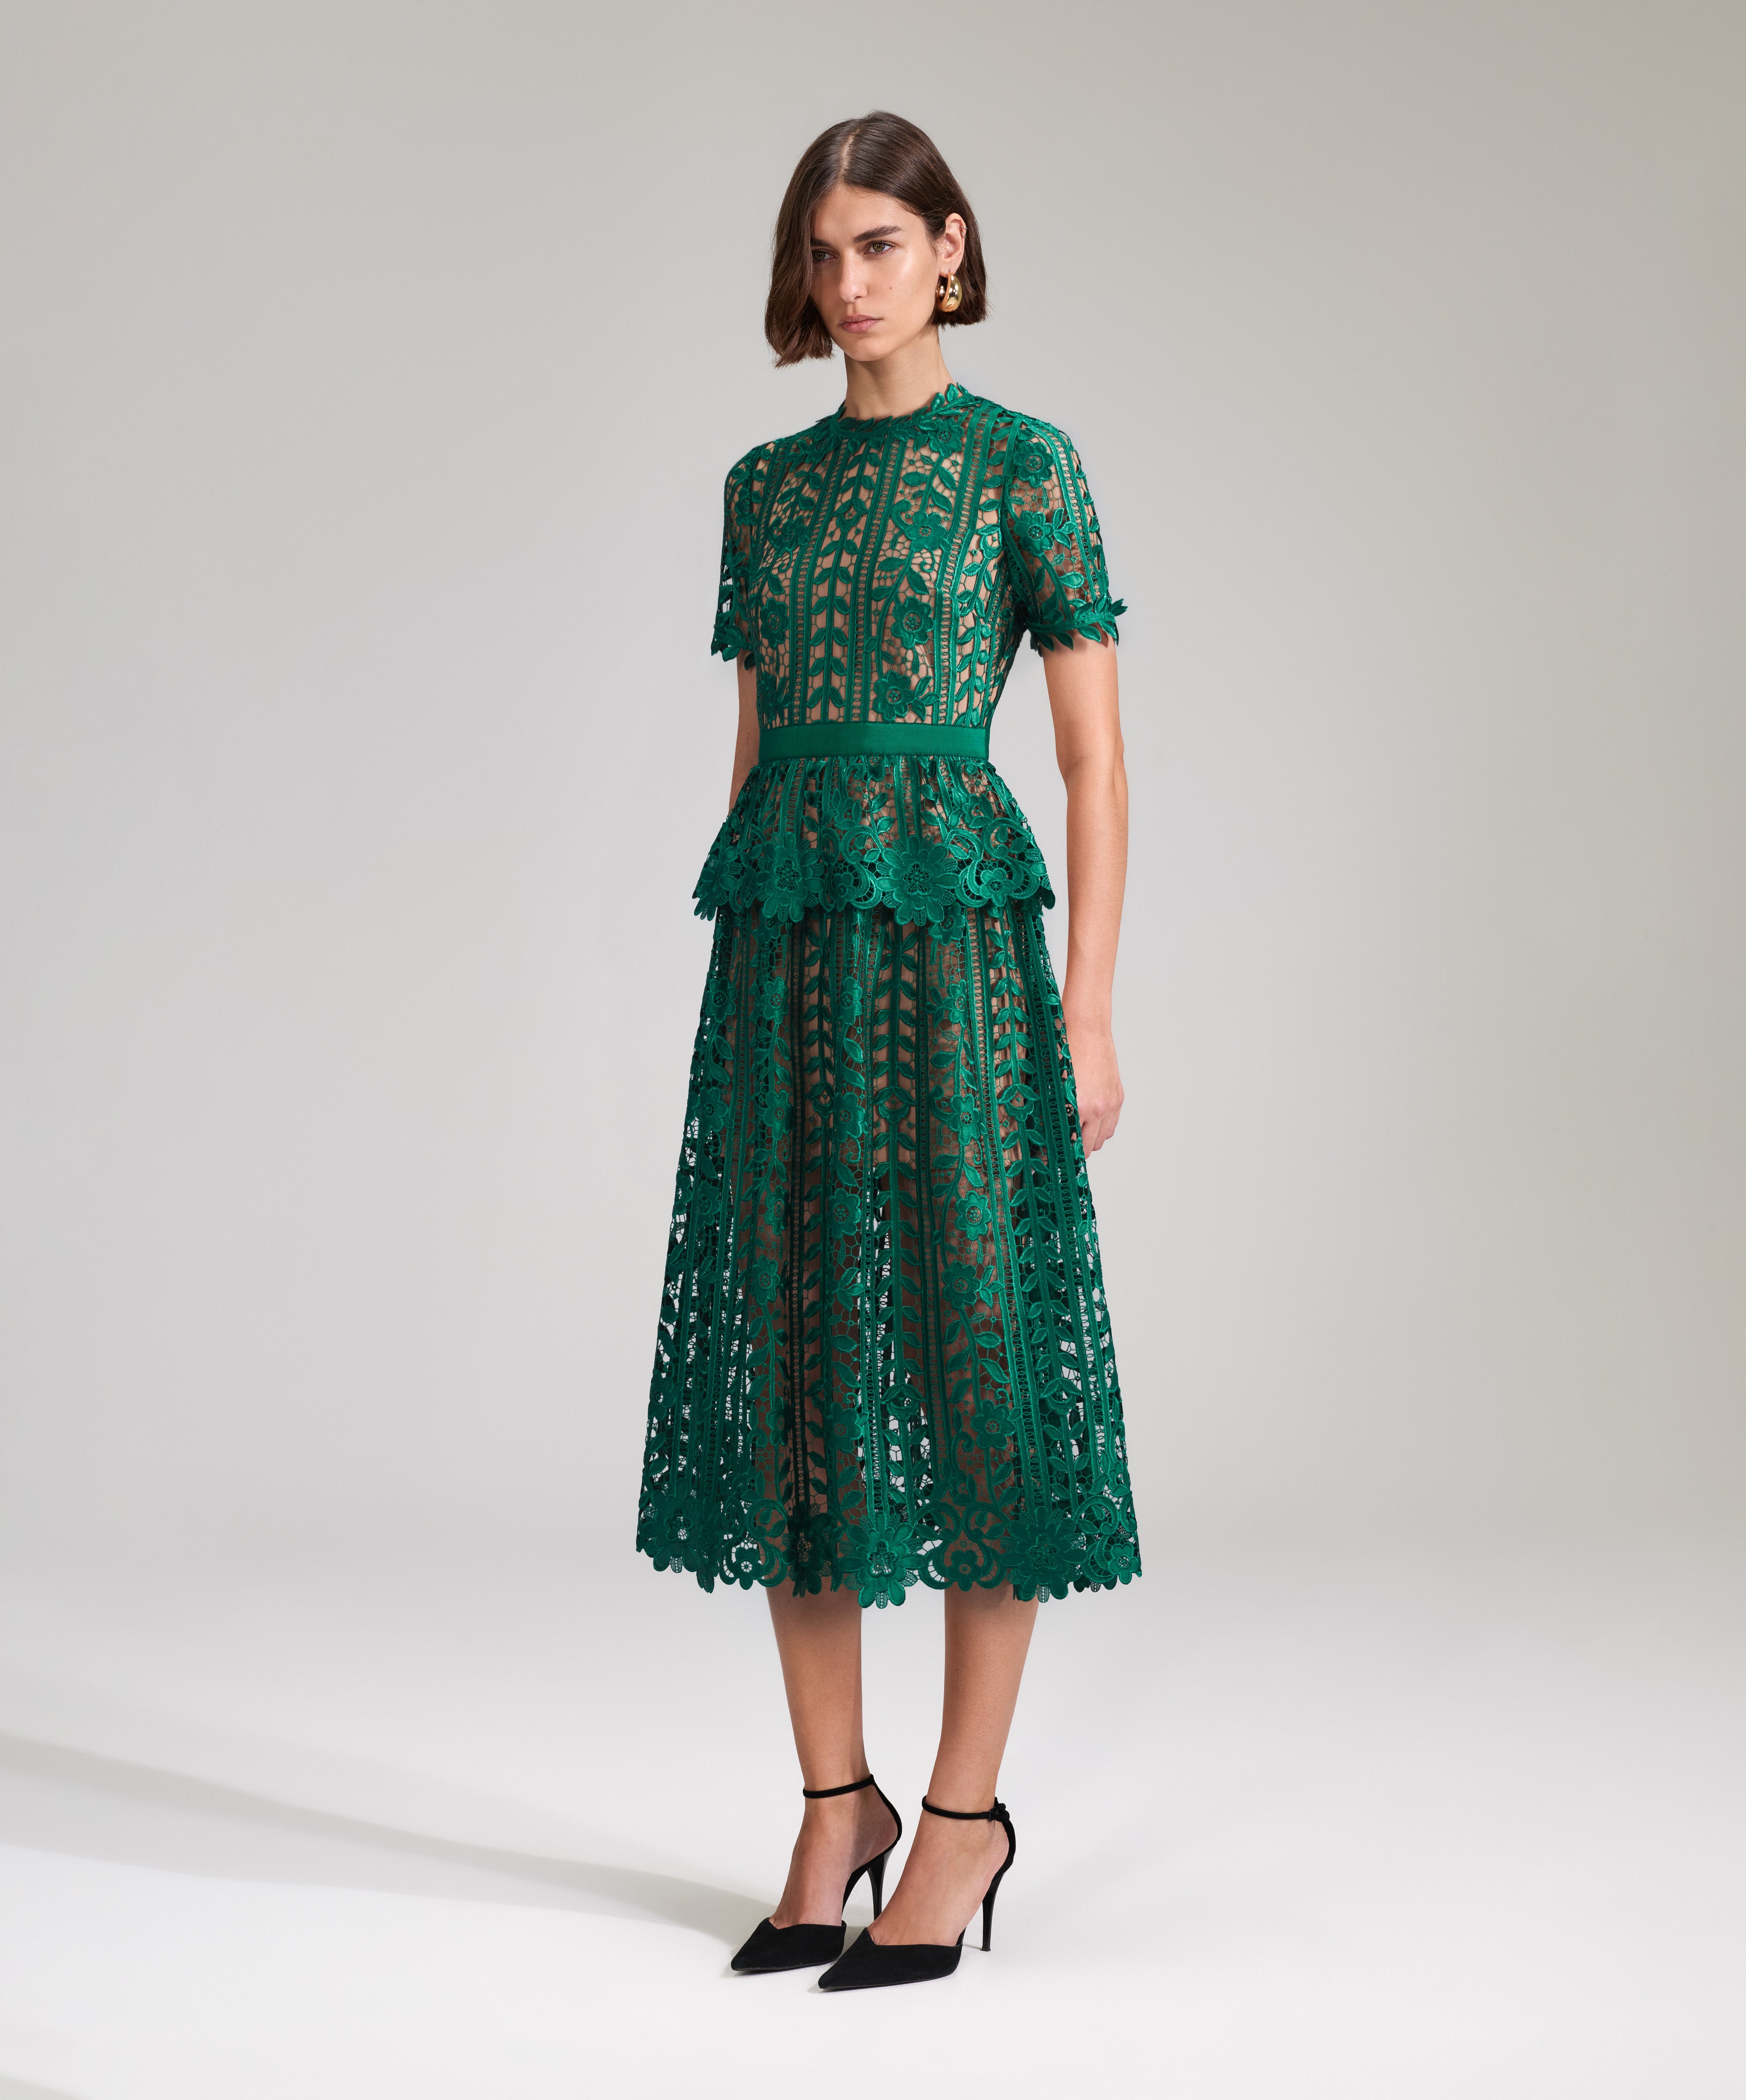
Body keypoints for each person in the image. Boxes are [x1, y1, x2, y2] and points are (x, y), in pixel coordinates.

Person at [635, 110, 1141, 1992]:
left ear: (949, 249)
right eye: (820, 251)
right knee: (796, 1368)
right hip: (787, 964)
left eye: (876, 244)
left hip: (959, 959)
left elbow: (1090, 760)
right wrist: (743, 986)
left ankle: (962, 1816)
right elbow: (757, 754)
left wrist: (1086, 1007)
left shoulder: (1022, 466)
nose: (846, 282)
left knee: (978, 1355)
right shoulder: (763, 491)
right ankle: (830, 1803)